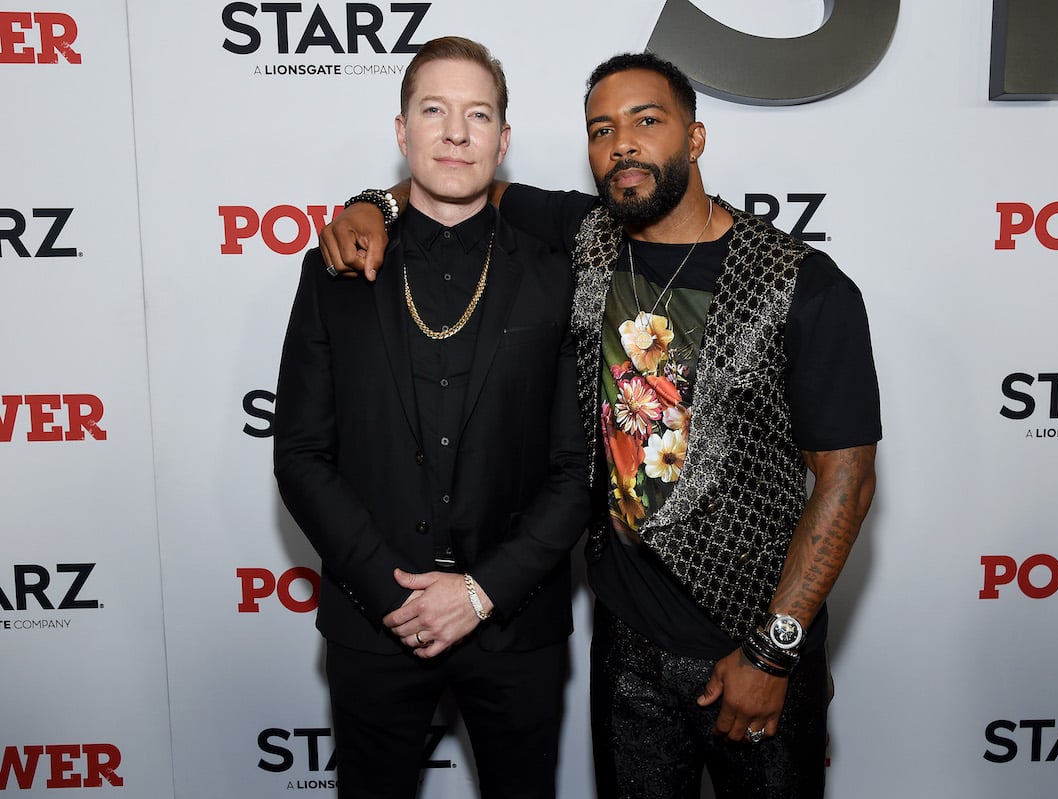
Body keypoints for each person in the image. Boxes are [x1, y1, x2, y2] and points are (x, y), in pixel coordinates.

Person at [321, 51, 880, 799]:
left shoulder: (803, 284)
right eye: (602, 128)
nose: (622, 143)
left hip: (750, 645)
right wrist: (370, 204)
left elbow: (847, 478)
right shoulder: (585, 235)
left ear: (695, 137)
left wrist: (775, 652)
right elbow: (451, 177)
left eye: (647, 121)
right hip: (627, 643)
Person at [273, 36, 589, 799]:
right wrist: (394, 596)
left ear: (503, 140)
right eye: (434, 111)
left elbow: (578, 469)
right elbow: (302, 454)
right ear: (402, 131)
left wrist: (480, 591)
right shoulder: (337, 271)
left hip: (515, 627)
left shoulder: (557, 274)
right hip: (374, 625)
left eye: (478, 114)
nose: (455, 132)